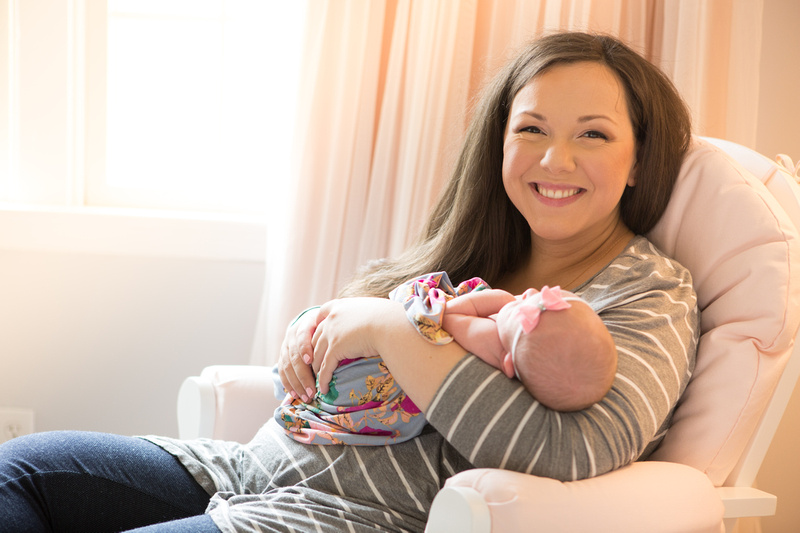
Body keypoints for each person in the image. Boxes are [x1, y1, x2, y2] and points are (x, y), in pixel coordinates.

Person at [0, 31, 698, 532]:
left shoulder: (646, 294)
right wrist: (322, 328)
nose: (554, 157)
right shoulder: (476, 248)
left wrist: (390, 330)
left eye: (594, 135)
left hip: (348, 513)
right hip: (250, 469)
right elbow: (342, 357)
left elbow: (569, 453)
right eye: (531, 128)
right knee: (17, 472)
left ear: (639, 160)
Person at [274, 273, 616, 446]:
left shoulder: (491, 343)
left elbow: (443, 320)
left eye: (532, 307)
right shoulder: (515, 341)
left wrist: (491, 301)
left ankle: (315, 399)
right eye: (541, 295)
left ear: (508, 362)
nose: (528, 295)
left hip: (396, 376)